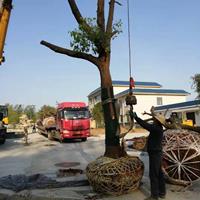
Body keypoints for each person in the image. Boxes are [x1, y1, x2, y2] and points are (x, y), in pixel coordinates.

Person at [132, 112, 166, 200]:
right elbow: (147, 125)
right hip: (157, 153)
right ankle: (162, 192)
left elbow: (145, 125)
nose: (153, 119)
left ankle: (154, 196)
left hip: (155, 154)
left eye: (155, 118)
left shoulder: (156, 128)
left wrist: (136, 118)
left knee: (153, 175)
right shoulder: (158, 128)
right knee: (159, 174)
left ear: (157, 121)